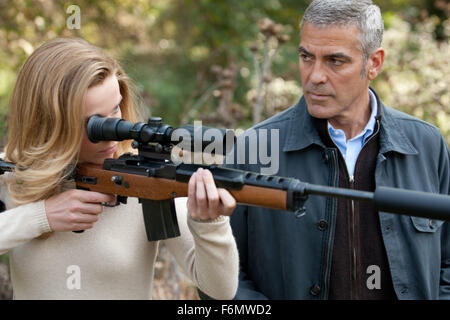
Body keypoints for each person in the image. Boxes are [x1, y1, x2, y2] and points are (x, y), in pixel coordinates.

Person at [228, 0, 450, 299]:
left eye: (335, 61)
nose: (315, 76)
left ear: (374, 63)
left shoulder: (426, 144)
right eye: (307, 57)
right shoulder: (254, 150)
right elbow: (224, 275)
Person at [0, 37, 239, 299]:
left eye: (115, 109)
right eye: (92, 124)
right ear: (49, 124)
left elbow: (221, 291)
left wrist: (210, 223)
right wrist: (41, 217)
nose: (112, 135)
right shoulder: (14, 174)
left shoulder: (146, 178)